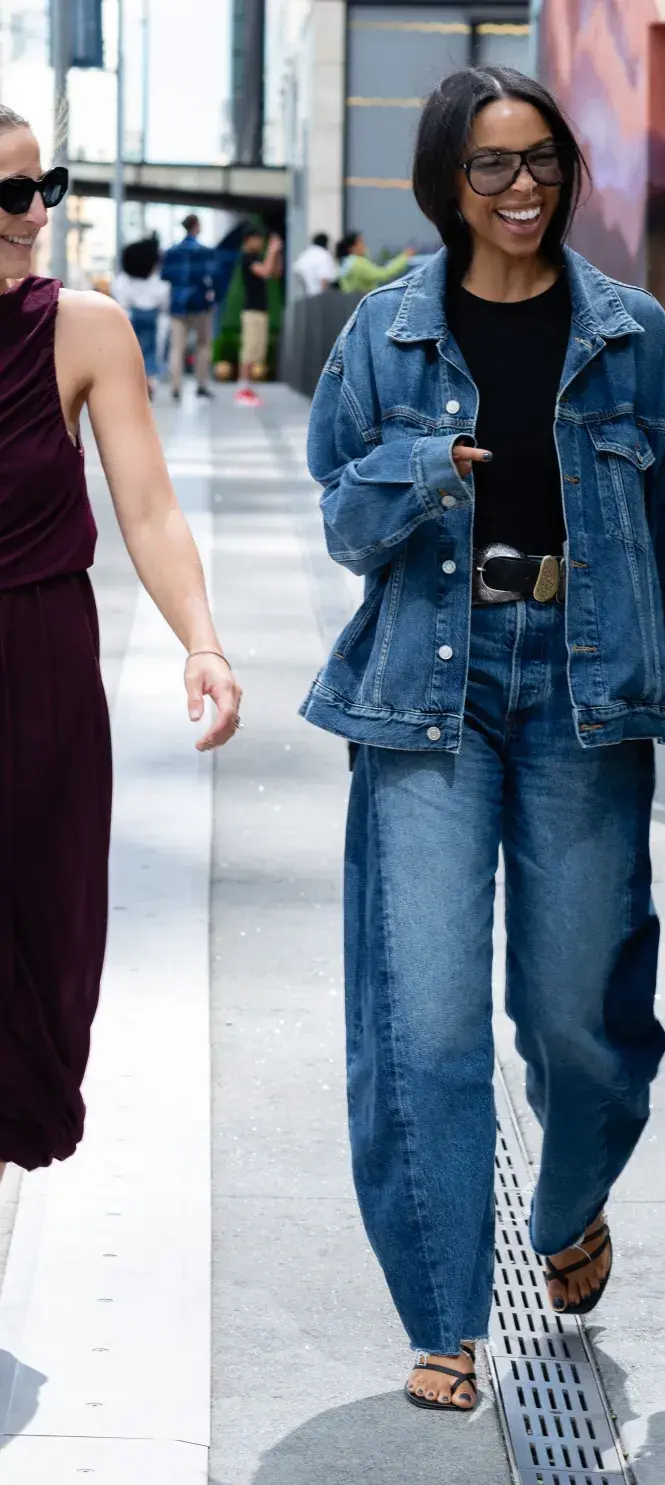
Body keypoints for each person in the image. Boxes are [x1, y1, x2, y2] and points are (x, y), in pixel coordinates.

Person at [303, 67, 665, 1411]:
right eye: (491, 167)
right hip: (424, 696)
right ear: (445, 182)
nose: (521, 191)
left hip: (584, 691)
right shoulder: (383, 338)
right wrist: (418, 472)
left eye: (541, 161)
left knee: (583, 1019)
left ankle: (567, 1205)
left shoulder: (632, 340)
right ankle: (444, 1307)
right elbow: (341, 517)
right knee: (423, 1021)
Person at [0, 104, 242, 1183]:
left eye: (42, 185)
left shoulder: (85, 327)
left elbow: (147, 507)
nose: (36, 212)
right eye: (13, 194)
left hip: (39, 672)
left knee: (41, 965)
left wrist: (203, 642)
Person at [160, 212, 215, 404]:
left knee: (177, 348)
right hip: (200, 304)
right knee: (203, 345)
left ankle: (176, 388)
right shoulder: (204, 252)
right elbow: (212, 277)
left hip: (178, 304)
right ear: (196, 226)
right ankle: (201, 385)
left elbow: (165, 275)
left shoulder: (172, 252)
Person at [112, 237, 170, 399]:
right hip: (152, 320)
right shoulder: (159, 284)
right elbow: (164, 303)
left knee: (130, 353)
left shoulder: (123, 281)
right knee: (150, 353)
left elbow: (121, 300)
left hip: (129, 319)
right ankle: (149, 381)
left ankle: (134, 384)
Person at [235, 224, 283, 409]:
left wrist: (277, 253)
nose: (261, 242)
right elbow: (264, 272)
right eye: (258, 238)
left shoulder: (256, 257)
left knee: (257, 350)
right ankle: (242, 389)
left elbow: (275, 273)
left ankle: (248, 389)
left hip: (260, 310)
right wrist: (272, 250)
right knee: (249, 348)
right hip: (251, 310)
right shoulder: (247, 257)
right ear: (249, 239)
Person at [335, 231, 412, 294]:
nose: (364, 246)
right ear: (352, 248)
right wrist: (404, 257)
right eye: (361, 243)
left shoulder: (345, 263)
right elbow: (383, 274)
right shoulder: (359, 263)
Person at [293, 231, 337, 296]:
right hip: (317, 296)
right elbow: (324, 279)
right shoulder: (324, 255)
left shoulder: (305, 254)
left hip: (303, 297)